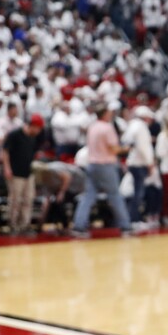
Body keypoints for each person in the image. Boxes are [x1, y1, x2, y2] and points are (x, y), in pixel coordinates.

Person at [71, 102, 132, 238]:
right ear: (104, 114)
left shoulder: (92, 127)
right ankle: (125, 226)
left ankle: (78, 226)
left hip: (92, 164)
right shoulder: (107, 127)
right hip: (105, 164)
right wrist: (126, 149)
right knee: (115, 195)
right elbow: (113, 148)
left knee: (88, 196)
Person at [2, 114, 46, 236]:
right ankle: (13, 225)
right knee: (15, 201)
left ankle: (25, 225)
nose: (39, 131)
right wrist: (7, 168)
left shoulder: (33, 138)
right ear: (32, 126)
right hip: (15, 173)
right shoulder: (15, 134)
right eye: (38, 128)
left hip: (28, 173)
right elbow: (5, 152)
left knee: (28, 200)